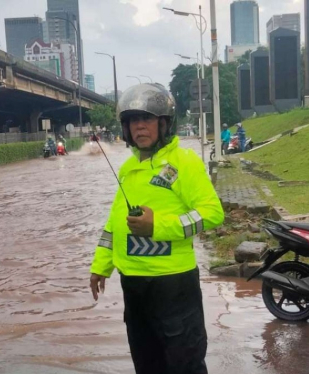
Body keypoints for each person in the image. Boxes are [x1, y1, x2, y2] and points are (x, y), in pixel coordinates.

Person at [89, 83, 224, 374]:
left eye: (146, 119)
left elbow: (212, 214)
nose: (139, 127)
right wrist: (101, 265)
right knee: (146, 363)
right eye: (132, 121)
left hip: (173, 284)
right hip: (134, 285)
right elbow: (114, 224)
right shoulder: (128, 169)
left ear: (163, 124)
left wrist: (158, 226)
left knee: (184, 363)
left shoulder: (183, 163)